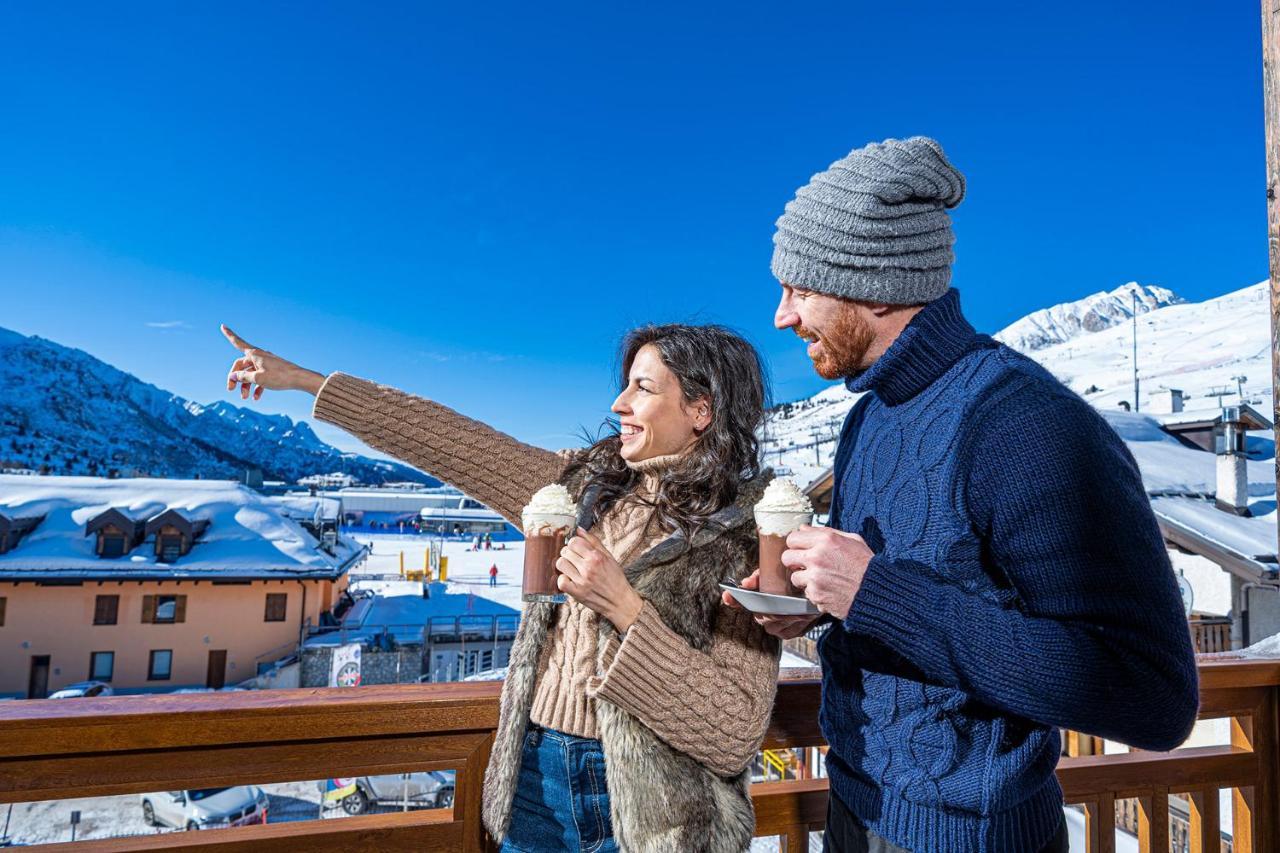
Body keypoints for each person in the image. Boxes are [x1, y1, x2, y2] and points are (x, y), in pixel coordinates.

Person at [729, 136, 1200, 853]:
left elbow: (1153, 696)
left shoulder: (1024, 424)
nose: (781, 316)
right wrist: (820, 610)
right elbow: (923, 612)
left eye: (800, 288)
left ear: (875, 281)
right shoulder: (867, 418)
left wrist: (875, 595)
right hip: (855, 816)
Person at [221, 322, 781, 852]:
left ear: (701, 410)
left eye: (643, 388)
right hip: (538, 779)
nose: (618, 405)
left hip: (663, 811)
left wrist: (627, 608)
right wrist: (304, 380)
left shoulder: (751, 538)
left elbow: (734, 728)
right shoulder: (578, 487)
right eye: (624, 386)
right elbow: (446, 438)